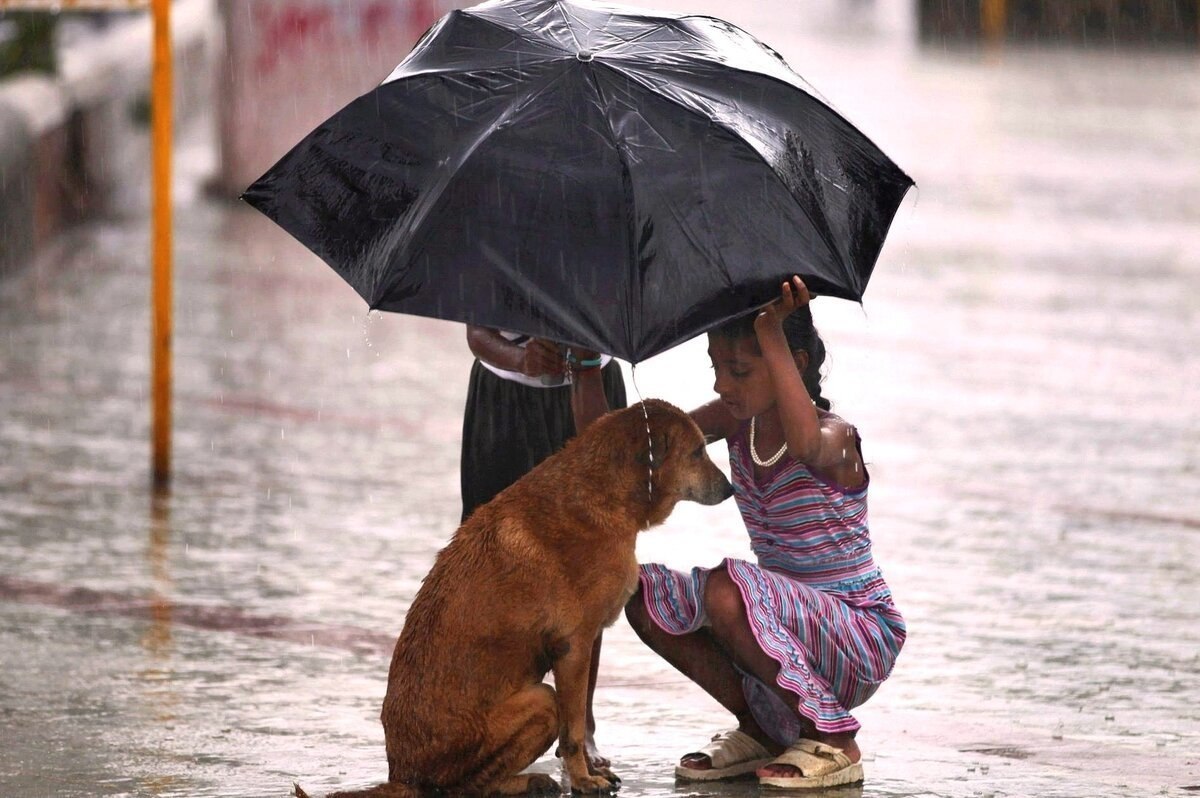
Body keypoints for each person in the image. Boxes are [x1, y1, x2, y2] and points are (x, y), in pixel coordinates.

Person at [625, 276, 905, 790]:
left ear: (791, 365)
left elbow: (803, 443)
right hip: (774, 628)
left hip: (857, 634)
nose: (721, 386)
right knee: (637, 591)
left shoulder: (836, 438)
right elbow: (646, 444)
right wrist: (585, 364)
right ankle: (762, 727)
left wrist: (770, 328)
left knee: (728, 589)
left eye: (739, 370)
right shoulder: (738, 423)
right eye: (716, 367)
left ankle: (834, 738)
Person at [460, 325, 628, 768]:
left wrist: (587, 356)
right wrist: (519, 359)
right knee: (493, 565)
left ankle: (581, 723)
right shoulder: (493, 251)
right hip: (503, 397)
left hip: (592, 383)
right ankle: (492, 715)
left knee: (590, 568)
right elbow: (476, 332)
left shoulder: (604, 254)